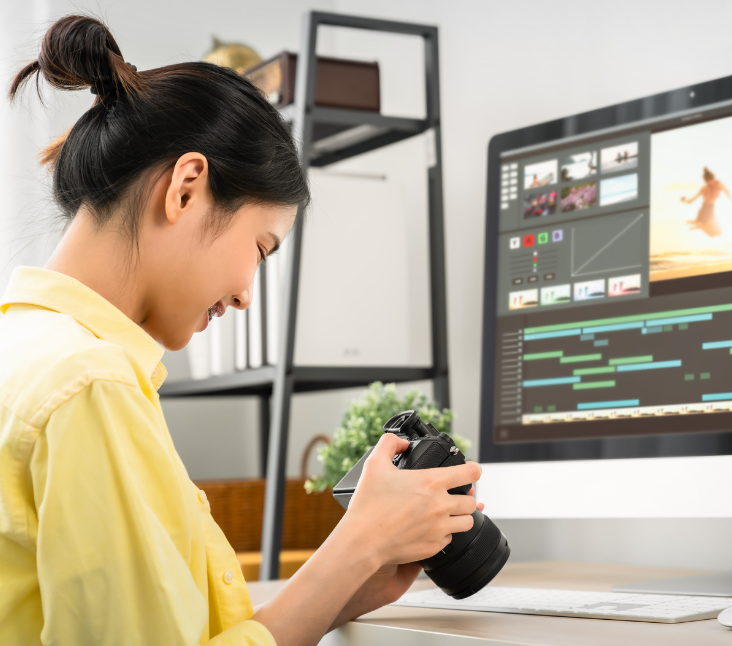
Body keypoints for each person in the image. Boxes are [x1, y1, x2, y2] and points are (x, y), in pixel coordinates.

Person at [0, 15, 482, 646]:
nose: (246, 296)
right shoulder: (90, 385)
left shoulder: (31, 351)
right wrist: (355, 544)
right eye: (258, 248)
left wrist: (345, 578)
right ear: (187, 188)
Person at [681, 167, 731, 237]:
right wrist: (731, 200)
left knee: (715, 232)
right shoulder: (717, 183)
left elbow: (690, 201)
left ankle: (697, 223)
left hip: (704, 209)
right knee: (717, 232)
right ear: (713, 176)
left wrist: (684, 200)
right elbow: (726, 190)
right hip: (709, 209)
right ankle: (699, 225)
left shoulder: (704, 188)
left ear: (705, 179)